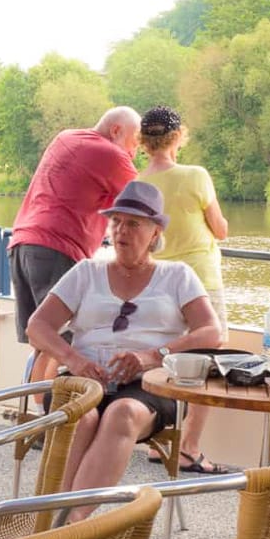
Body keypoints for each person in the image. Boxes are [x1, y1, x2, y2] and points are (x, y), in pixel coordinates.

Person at [26, 181, 223, 514]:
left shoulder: (177, 276)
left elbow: (212, 332)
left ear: (155, 231)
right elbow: (37, 326)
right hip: (84, 376)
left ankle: (67, 525)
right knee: (81, 417)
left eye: (133, 223)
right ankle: (55, 523)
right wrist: (73, 360)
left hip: (151, 383)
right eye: (116, 221)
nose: (121, 230)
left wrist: (152, 356)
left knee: (123, 413)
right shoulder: (86, 272)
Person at [136, 106, 232, 474]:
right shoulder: (196, 175)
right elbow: (220, 228)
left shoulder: (137, 185)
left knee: (166, 359)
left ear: (144, 142)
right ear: (178, 138)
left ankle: (160, 443)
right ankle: (189, 448)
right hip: (200, 280)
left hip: (158, 282)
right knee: (207, 359)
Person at [8, 107, 140, 343]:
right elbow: (146, 200)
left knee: (42, 339)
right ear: (116, 130)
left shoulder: (66, 137)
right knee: (67, 342)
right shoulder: (110, 154)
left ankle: (36, 381)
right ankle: (61, 382)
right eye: (135, 141)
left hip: (21, 247)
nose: (135, 151)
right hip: (56, 250)